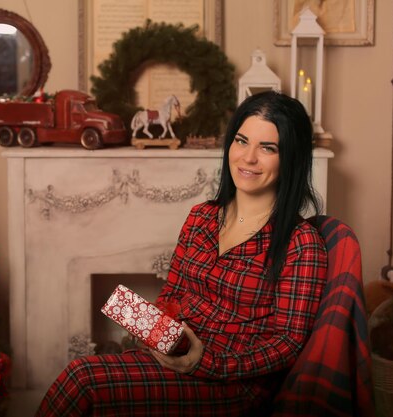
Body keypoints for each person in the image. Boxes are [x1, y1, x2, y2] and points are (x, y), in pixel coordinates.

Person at [35, 91, 328, 416]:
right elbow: (173, 294)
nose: (248, 158)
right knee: (91, 377)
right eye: (242, 141)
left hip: (235, 385)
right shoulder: (201, 217)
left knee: (83, 378)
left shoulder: (301, 243)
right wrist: (157, 333)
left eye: (268, 148)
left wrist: (208, 362)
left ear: (291, 158)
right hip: (175, 359)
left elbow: (286, 345)